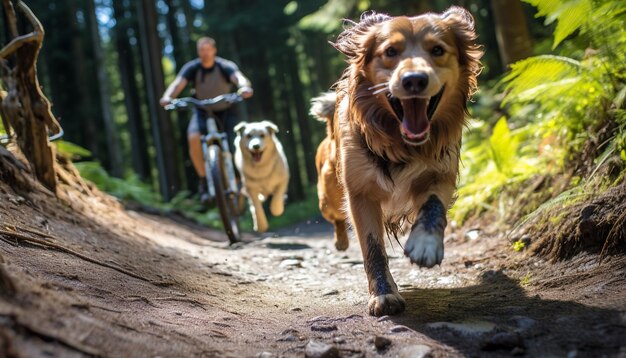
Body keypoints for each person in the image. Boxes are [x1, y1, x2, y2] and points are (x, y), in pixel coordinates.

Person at [160, 37, 253, 203]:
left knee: (235, 143)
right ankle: (204, 180)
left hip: (226, 111)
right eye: (201, 50)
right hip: (201, 111)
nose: (205, 53)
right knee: (194, 138)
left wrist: (244, 87)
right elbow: (177, 84)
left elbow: (239, 78)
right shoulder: (192, 68)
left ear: (214, 50)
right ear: (198, 52)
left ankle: (239, 178)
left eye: (208, 49)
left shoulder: (225, 66)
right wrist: (168, 97)